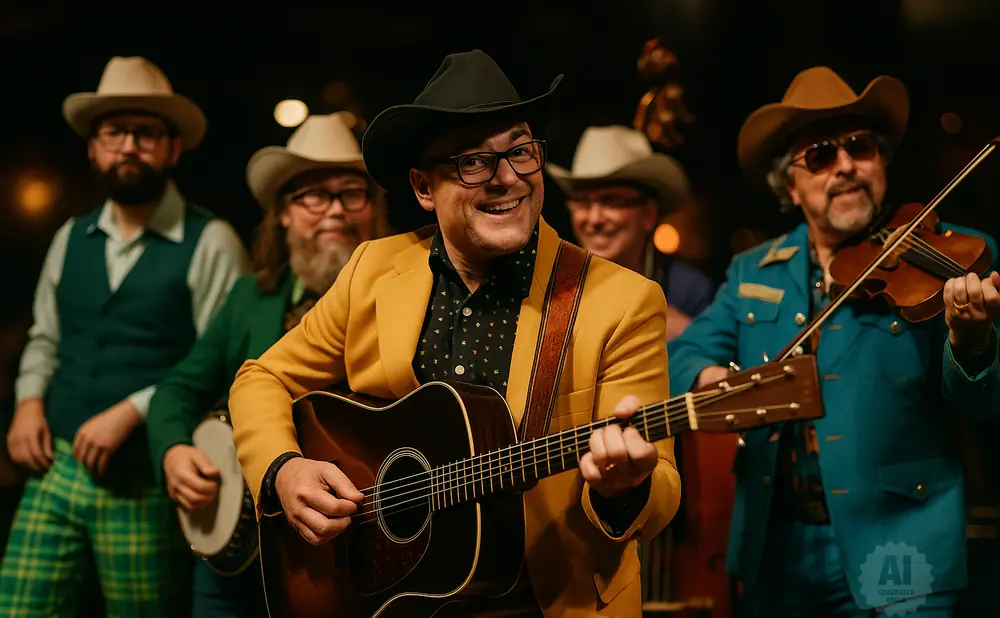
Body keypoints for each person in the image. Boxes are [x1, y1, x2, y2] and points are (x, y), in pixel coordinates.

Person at [228, 50, 681, 617]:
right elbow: (261, 377)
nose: (508, 178)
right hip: (387, 597)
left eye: (520, 151)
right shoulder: (373, 269)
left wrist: (625, 488)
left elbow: (659, 486)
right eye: (474, 162)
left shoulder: (621, 301)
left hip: (545, 603)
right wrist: (282, 470)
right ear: (423, 187)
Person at [667, 66, 1000, 617]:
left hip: (903, 542)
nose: (845, 165)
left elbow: (981, 405)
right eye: (820, 155)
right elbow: (685, 353)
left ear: (881, 159)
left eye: (859, 147)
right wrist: (718, 386)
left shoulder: (949, 260)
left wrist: (972, 341)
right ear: (790, 186)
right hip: (776, 551)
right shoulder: (754, 270)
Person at [1, 56, 249, 617]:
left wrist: (132, 410)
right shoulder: (70, 236)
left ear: (172, 149)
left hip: (145, 475)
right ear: (94, 147)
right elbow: (44, 337)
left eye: (145, 133)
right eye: (114, 133)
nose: (128, 146)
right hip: (56, 462)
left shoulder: (210, 240)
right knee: (18, 607)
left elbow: (218, 365)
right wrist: (27, 402)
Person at [145, 112, 390, 618]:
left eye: (351, 193)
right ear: (282, 213)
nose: (334, 212)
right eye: (312, 197)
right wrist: (172, 451)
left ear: (374, 208)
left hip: (350, 558)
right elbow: (177, 390)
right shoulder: (248, 298)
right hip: (240, 555)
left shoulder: (402, 297)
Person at [547, 125, 715, 340]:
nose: (594, 218)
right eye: (582, 202)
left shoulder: (690, 291)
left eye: (612, 201)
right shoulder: (551, 285)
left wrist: (689, 337)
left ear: (648, 215)